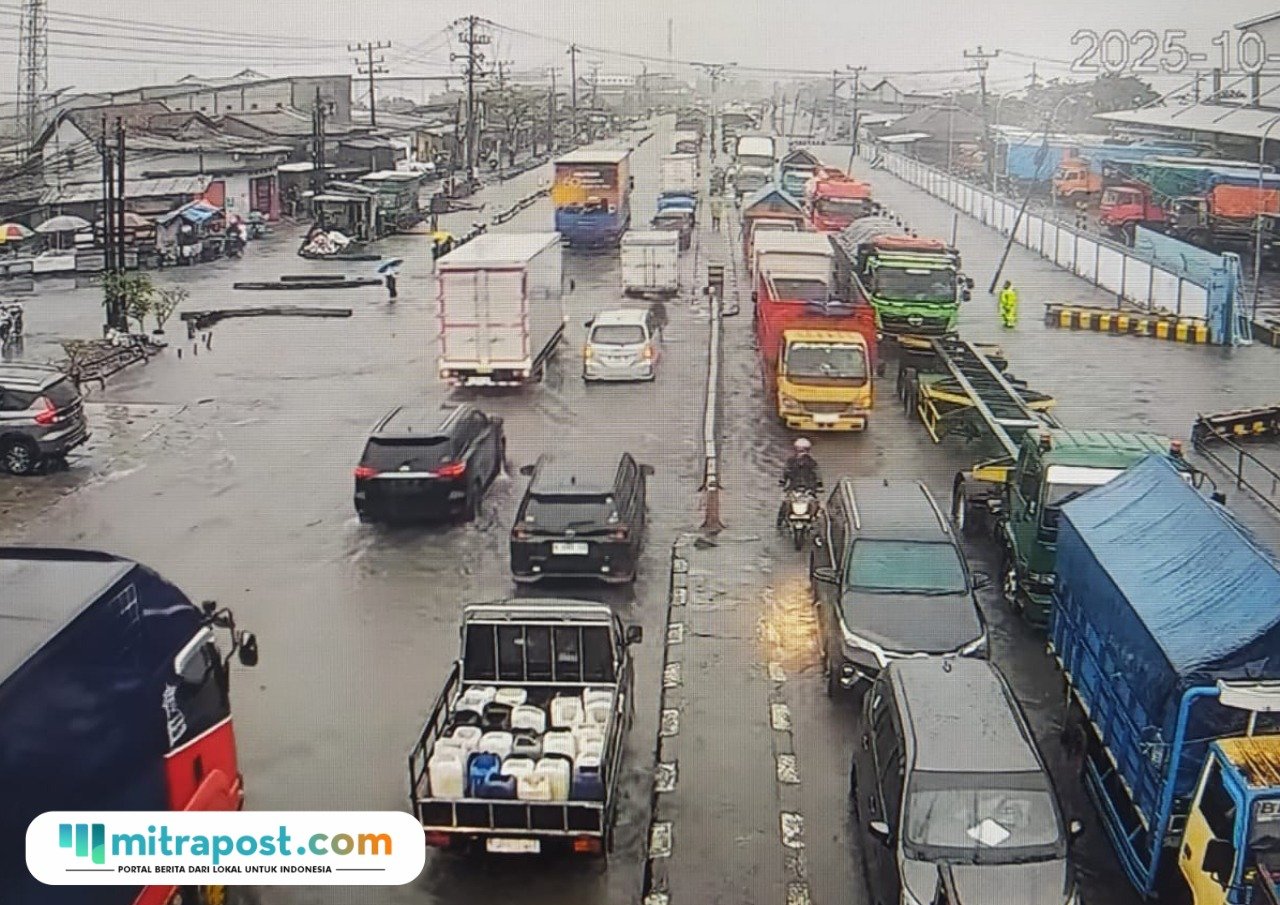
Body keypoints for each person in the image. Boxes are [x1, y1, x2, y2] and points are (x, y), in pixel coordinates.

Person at [777, 438, 821, 527]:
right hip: (794, 487)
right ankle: (780, 522)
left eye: (803, 450)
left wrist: (819, 484)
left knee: (816, 504)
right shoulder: (791, 461)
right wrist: (783, 481)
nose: (801, 452)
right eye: (799, 450)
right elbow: (786, 472)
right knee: (785, 503)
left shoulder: (812, 462)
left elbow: (817, 473)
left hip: (809, 488)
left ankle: (814, 521)